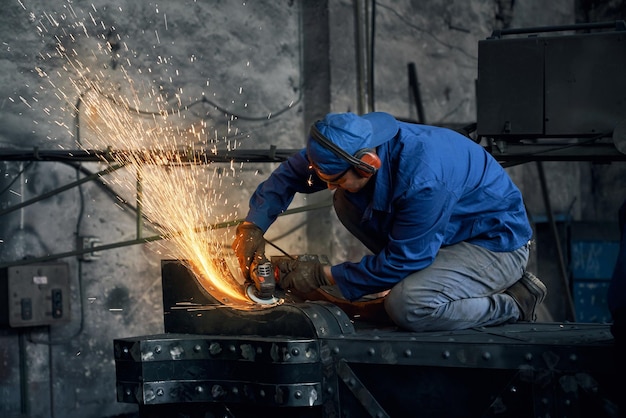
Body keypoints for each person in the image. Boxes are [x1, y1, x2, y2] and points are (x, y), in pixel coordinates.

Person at [232, 111, 547, 332]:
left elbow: (405, 259)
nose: (327, 185)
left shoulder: (423, 178)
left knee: (408, 306)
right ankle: (424, 281)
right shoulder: (345, 142)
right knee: (346, 198)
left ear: (368, 165)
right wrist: (253, 228)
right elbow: (289, 176)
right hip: (440, 233)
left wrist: (321, 274)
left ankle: (513, 303)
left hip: (493, 245)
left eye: (334, 178)